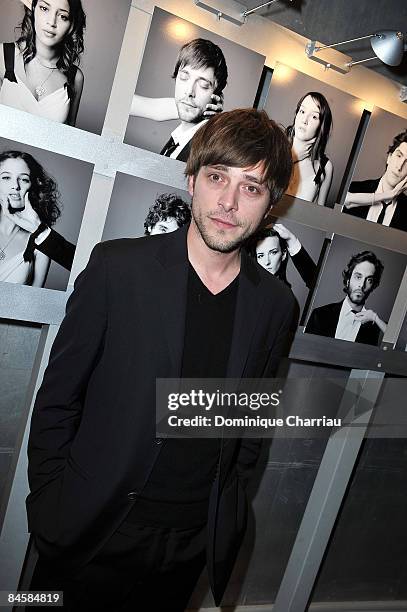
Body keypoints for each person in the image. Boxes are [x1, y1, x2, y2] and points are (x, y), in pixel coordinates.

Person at [27, 108, 296, 611]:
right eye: (218, 177)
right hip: (91, 530)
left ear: (270, 204)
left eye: (252, 188)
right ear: (192, 180)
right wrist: (51, 505)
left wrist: (223, 517)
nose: (229, 203)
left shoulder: (276, 306)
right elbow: (58, 400)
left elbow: (251, 431)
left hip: (190, 545)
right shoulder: (118, 268)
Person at [130, 38, 228, 162]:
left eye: (203, 85)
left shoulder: (211, 151)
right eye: (184, 77)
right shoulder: (178, 138)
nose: (189, 91)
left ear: (216, 94)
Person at [0, 0, 86, 125]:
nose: (51, 22)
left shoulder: (75, 78)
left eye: (63, 16)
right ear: (33, 9)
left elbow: (68, 137)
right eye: (44, 9)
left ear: (71, 25)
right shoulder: (2, 55)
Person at [0, 150, 60, 286]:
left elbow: (33, 302)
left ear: (33, 187)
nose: (15, 185)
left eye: (24, 179)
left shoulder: (40, 247)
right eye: (6, 177)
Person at [305, 250, 386, 346]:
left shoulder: (375, 325)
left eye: (369, 280)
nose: (361, 285)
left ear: (373, 286)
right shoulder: (320, 314)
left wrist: (375, 318)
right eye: (358, 277)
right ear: (348, 280)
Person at [343, 130, 407, 231]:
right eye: (399, 156)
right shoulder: (355, 188)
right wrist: (389, 195)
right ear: (389, 157)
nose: (399, 166)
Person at [286, 91, 333, 206]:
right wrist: (292, 158)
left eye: (314, 116)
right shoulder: (274, 147)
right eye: (302, 111)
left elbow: (318, 216)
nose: (304, 120)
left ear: (321, 125)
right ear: (296, 114)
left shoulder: (324, 166)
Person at [250, 223, 317, 289]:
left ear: (283, 254)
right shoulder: (249, 288)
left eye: (273, 252)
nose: (267, 262)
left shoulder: (284, 291)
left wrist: (291, 239)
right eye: (260, 256)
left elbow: (318, 284)